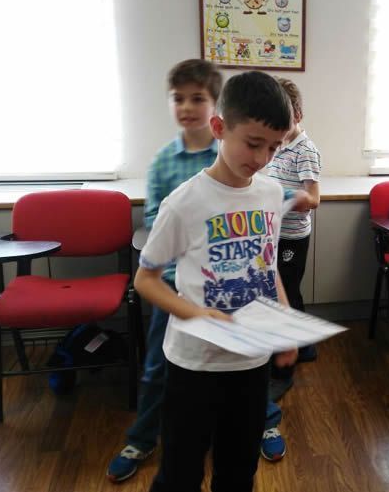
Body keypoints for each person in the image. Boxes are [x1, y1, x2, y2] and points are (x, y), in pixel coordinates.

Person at [133, 71, 298, 492]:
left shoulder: (269, 194)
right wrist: (197, 313)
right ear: (220, 128)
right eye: (253, 143)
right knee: (181, 472)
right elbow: (146, 280)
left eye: (274, 147)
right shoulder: (184, 202)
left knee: (239, 470)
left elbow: (267, 267)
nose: (262, 158)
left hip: (251, 362)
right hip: (194, 364)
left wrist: (284, 324)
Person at [106, 58, 222, 483]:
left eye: (197, 98)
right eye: (179, 98)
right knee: (157, 367)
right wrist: (191, 234)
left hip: (223, 286)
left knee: (239, 359)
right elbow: (156, 219)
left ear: (214, 105)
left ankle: (262, 421)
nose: (187, 107)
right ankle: (142, 438)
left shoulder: (228, 155)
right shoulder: (162, 163)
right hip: (172, 287)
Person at [260, 76, 322, 462]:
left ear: (297, 114)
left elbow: (313, 198)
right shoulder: (275, 144)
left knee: (289, 293)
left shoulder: (305, 150)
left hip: (292, 237)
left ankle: (286, 364)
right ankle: (302, 345)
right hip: (270, 233)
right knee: (275, 294)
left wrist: (283, 197)